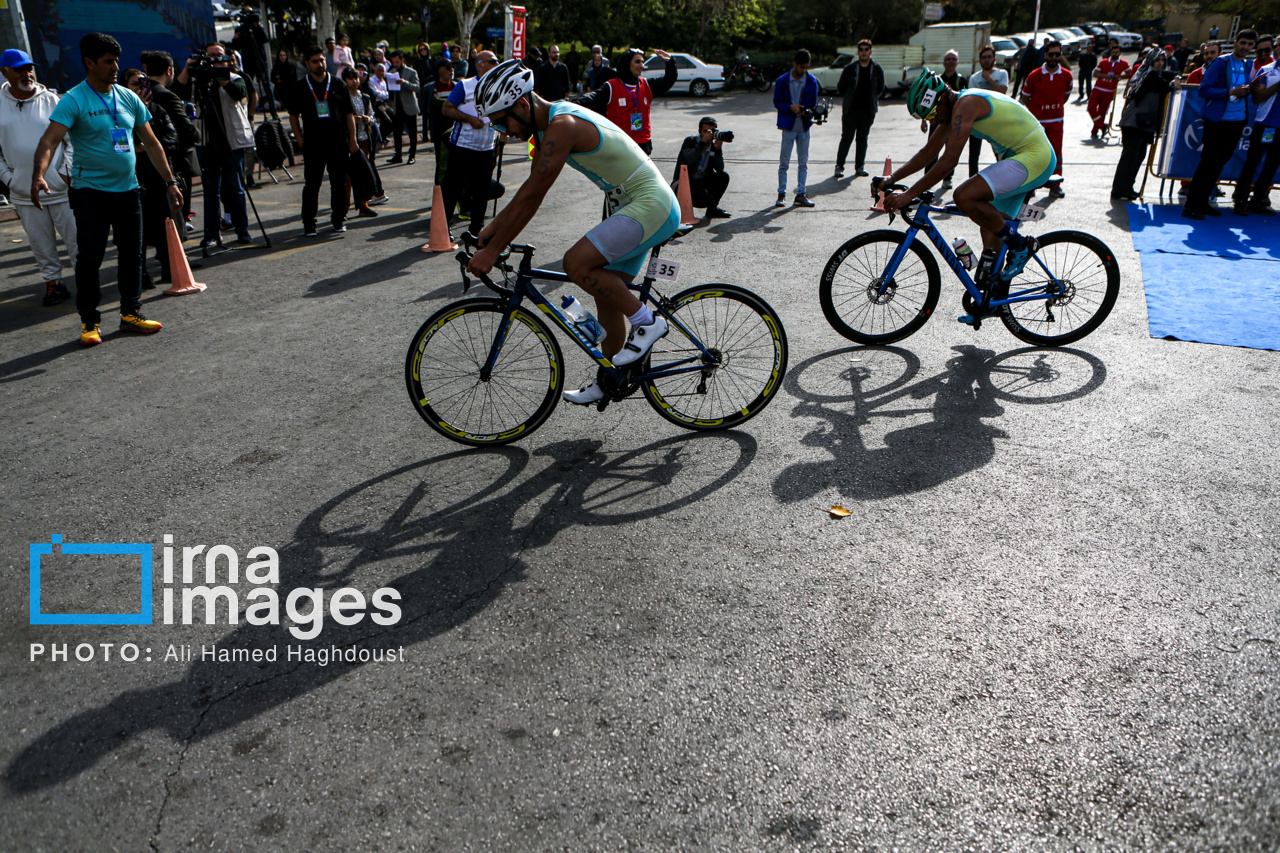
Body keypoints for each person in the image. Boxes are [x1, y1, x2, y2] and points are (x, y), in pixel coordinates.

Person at [467, 60, 679, 405]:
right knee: (606, 294)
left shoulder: (562, 125)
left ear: (522, 105)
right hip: (629, 204)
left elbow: (536, 194)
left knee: (575, 264)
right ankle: (611, 376)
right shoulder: (547, 127)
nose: (502, 130)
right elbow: (526, 190)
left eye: (501, 120)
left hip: (650, 203)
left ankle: (647, 323)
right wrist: (491, 231)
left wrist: (492, 252)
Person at [32, 32, 181, 346]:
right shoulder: (74, 99)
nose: (116, 67)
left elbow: (152, 143)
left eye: (117, 60)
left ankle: (130, 313)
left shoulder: (128, 97)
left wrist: (170, 181)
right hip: (90, 193)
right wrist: (39, 175)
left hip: (128, 190)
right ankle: (89, 322)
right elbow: (49, 141)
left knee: (132, 257)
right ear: (89, 63)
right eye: (108, 61)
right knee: (90, 259)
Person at [881, 69, 1056, 324]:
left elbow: (949, 159)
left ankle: (1021, 247)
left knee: (964, 195)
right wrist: (892, 179)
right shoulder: (950, 109)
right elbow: (929, 152)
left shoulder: (966, 104)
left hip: (1034, 157)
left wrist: (909, 194)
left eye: (931, 114)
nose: (933, 121)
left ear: (940, 98)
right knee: (990, 229)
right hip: (1017, 157)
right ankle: (990, 301)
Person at [0, 48, 77, 306]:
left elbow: (72, 141)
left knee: (77, 240)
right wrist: (10, 179)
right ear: (4, 73)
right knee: (41, 244)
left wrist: (65, 174)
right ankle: (54, 284)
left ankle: (87, 281)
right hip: (23, 192)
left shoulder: (54, 101)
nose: (27, 73)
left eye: (29, 68)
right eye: (19, 69)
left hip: (62, 188)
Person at [1184, 30, 1257, 219]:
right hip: (1217, 122)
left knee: (1218, 165)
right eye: (1243, 43)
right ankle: (1191, 206)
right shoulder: (1221, 62)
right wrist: (1231, 92)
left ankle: (1203, 202)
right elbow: (1204, 89)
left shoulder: (1248, 65)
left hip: (1237, 121)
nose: (1245, 47)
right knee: (1207, 164)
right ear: (1235, 42)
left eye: (1249, 44)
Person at [287, 43, 358, 236]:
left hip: (337, 143)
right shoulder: (301, 87)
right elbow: (293, 115)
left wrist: (352, 140)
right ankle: (309, 223)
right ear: (307, 64)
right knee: (312, 185)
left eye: (322, 60)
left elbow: (349, 113)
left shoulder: (337, 84)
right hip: (313, 144)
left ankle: (338, 219)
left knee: (339, 184)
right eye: (315, 61)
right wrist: (300, 140)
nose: (320, 64)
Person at [188, 43, 254, 247]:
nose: (215, 59)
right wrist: (191, 69)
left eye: (219, 55)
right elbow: (181, 91)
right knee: (210, 190)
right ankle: (211, 234)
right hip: (207, 142)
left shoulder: (236, 78)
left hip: (232, 143)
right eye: (211, 56)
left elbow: (238, 93)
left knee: (236, 188)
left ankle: (242, 231)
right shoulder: (199, 81)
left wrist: (221, 77)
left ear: (226, 58)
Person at [121, 69, 176, 287]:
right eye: (135, 84)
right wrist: (134, 147)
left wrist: (155, 147)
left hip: (157, 176)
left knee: (164, 225)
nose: (140, 89)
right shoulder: (119, 112)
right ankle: (140, 274)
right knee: (136, 232)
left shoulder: (157, 110)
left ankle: (169, 268)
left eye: (144, 83)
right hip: (133, 179)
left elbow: (172, 138)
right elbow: (116, 142)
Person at [576, 48, 676, 155]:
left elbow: (668, 80)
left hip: (643, 144)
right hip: (620, 144)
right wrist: (564, 103)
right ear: (627, 63)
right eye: (637, 61)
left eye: (642, 61)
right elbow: (589, 100)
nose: (641, 65)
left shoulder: (647, 85)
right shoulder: (611, 86)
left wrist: (670, 62)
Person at [441, 50, 500, 231]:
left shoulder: (499, 88)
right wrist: (469, 119)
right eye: (493, 61)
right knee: (453, 188)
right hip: (463, 146)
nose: (497, 64)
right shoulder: (465, 86)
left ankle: (476, 229)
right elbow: (447, 108)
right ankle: (443, 227)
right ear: (481, 64)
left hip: (487, 147)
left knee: (482, 191)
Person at [1111, 49, 1180, 200]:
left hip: (1144, 123)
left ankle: (1127, 187)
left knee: (1138, 157)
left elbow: (1172, 73)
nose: (1160, 63)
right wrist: (1175, 82)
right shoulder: (1149, 74)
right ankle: (1119, 190)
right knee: (1130, 158)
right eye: (1157, 60)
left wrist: (1177, 76)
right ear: (1150, 61)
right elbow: (1167, 86)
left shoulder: (1155, 73)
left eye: (1162, 60)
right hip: (1134, 122)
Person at [142, 50, 198, 235]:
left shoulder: (138, 93)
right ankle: (175, 258)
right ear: (169, 70)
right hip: (174, 161)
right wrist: (192, 123)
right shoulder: (167, 96)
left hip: (146, 162)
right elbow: (187, 131)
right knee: (176, 214)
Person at [1230, 35, 1277, 215]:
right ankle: (1241, 199)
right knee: (1253, 162)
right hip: (1266, 124)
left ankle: (1259, 199)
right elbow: (1257, 98)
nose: (1265, 53)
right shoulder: (1267, 71)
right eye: (1261, 50)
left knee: (1272, 164)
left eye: (1268, 50)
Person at [1019, 39, 1072, 197]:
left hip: (1056, 122)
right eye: (1051, 54)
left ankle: (1055, 185)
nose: (1054, 57)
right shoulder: (1034, 75)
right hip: (1037, 124)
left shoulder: (1067, 75)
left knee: (1056, 154)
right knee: (1035, 154)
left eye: (1057, 54)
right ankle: (1031, 186)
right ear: (1045, 55)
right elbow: (1026, 97)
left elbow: (1065, 96)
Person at [774, 49, 820, 208]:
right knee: (784, 162)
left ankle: (801, 194)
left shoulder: (812, 81)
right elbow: (777, 102)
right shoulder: (782, 81)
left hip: (804, 127)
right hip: (788, 126)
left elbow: (813, 104)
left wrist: (809, 111)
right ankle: (781, 194)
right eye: (802, 67)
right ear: (795, 64)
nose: (804, 71)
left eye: (807, 67)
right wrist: (790, 107)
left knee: (803, 162)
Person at [834, 39, 884, 179]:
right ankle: (839, 166)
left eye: (866, 49)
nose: (863, 52)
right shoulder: (850, 68)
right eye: (861, 49)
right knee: (846, 138)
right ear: (858, 51)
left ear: (870, 51)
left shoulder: (877, 69)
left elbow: (880, 88)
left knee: (862, 139)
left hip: (868, 111)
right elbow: (841, 87)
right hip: (851, 110)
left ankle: (859, 167)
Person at [341, 67, 380, 217]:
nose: (355, 81)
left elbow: (372, 115)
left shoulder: (364, 97)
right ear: (345, 81)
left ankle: (364, 205)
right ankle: (344, 208)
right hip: (349, 141)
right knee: (348, 177)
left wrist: (368, 120)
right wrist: (351, 121)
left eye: (356, 78)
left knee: (364, 174)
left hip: (364, 139)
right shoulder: (343, 97)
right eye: (350, 78)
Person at [675, 116, 731, 218]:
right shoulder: (690, 141)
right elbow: (690, 159)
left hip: (701, 181)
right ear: (699, 131)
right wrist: (701, 144)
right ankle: (683, 212)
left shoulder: (713, 146)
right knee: (707, 200)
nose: (708, 134)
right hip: (685, 183)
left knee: (723, 176)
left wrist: (718, 150)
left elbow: (719, 169)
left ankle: (712, 210)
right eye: (705, 131)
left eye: (711, 131)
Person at [967, 44, 1009, 177]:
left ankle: (1005, 178)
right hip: (978, 120)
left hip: (996, 119)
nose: (987, 60)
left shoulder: (1002, 74)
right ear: (980, 61)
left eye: (989, 57)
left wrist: (989, 78)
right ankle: (972, 181)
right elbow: (972, 100)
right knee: (973, 154)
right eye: (984, 57)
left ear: (994, 59)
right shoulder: (974, 78)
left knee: (1000, 152)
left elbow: (1001, 93)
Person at [385, 51, 420, 164]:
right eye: (394, 62)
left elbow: (417, 88)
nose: (395, 64)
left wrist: (404, 83)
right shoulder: (392, 71)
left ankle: (412, 155)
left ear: (402, 60)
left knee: (412, 132)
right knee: (397, 133)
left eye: (397, 62)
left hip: (409, 106)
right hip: (397, 107)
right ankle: (398, 155)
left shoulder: (411, 72)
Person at [1089, 40, 1130, 138]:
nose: (1114, 54)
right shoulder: (1104, 61)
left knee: (1102, 112)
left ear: (1120, 53)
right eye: (1113, 52)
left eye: (1116, 52)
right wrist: (1105, 76)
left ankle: (1095, 131)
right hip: (1098, 88)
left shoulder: (1123, 63)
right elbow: (1095, 73)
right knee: (1091, 108)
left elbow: (1130, 73)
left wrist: (1119, 77)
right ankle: (1103, 126)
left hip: (1109, 91)